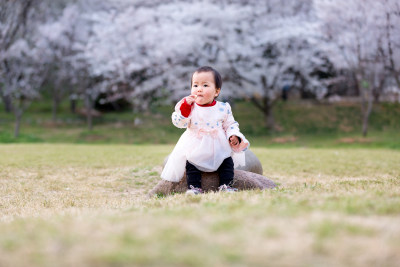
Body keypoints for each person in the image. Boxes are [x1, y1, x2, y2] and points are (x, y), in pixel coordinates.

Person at [161, 66, 249, 195]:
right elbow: (179, 123)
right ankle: (194, 187)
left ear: (216, 91)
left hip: (218, 145)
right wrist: (185, 109)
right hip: (196, 145)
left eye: (205, 85)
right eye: (195, 85)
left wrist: (233, 135)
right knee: (191, 164)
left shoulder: (223, 108)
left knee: (226, 162)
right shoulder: (188, 106)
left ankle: (225, 185)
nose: (199, 89)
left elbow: (230, 124)